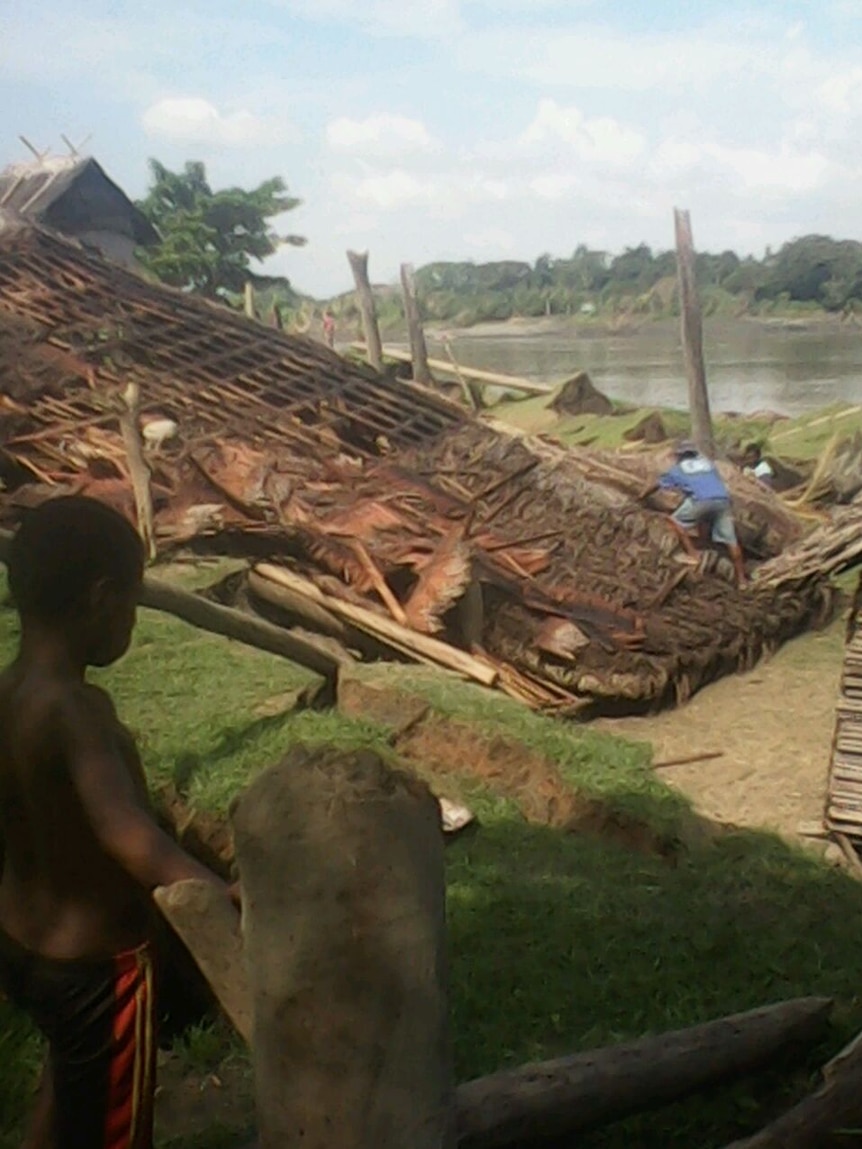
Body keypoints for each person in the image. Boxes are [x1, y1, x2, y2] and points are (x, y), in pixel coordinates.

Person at [0, 496, 234, 1149]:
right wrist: (216, 891)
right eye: (131, 604)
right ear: (103, 598)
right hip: (98, 971)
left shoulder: (8, 691)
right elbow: (127, 832)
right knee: (111, 1127)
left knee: (67, 1086)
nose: (130, 621)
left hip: (21, 944)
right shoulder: (77, 711)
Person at [646, 441, 747, 587]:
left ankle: (693, 554)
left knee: (673, 521)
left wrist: (642, 496)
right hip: (723, 500)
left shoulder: (678, 468)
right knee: (731, 540)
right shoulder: (708, 464)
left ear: (679, 455)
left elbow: (657, 484)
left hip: (701, 500)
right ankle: (742, 580)